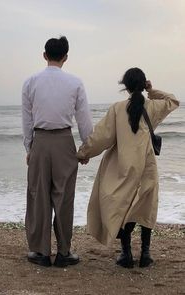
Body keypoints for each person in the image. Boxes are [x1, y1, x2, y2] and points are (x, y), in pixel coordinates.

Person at [77, 68, 179, 268]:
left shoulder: (117, 108)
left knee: (122, 206)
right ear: (143, 84)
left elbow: (102, 137)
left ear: (125, 86)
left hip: (123, 166)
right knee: (145, 207)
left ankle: (126, 253)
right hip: (147, 166)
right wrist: (152, 90)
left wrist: (83, 153)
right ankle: (146, 254)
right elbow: (173, 101)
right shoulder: (151, 107)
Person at [22, 36, 93, 267]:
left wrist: (29, 147)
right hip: (64, 140)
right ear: (65, 57)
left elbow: (27, 119)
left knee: (38, 196)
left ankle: (41, 252)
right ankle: (64, 252)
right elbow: (84, 119)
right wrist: (86, 149)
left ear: (44, 55)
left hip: (41, 140)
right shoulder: (75, 83)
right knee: (64, 198)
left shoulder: (30, 82)